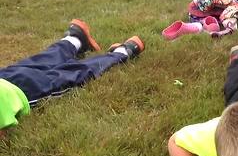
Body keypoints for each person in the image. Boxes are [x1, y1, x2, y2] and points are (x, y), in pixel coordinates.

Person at [0, 19, 145, 138]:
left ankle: (123, 52)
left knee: (72, 74)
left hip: (21, 92)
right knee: (41, 60)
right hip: (4, 78)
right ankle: (74, 38)